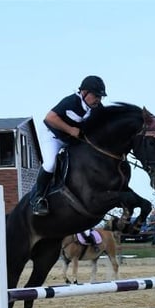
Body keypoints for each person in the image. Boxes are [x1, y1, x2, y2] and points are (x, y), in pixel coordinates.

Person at [32, 75, 108, 216]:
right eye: (96, 95)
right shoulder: (71, 101)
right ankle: (38, 198)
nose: (98, 99)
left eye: (100, 96)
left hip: (72, 140)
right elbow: (50, 118)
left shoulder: (98, 108)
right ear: (84, 92)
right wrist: (71, 130)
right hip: (52, 135)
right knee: (50, 164)